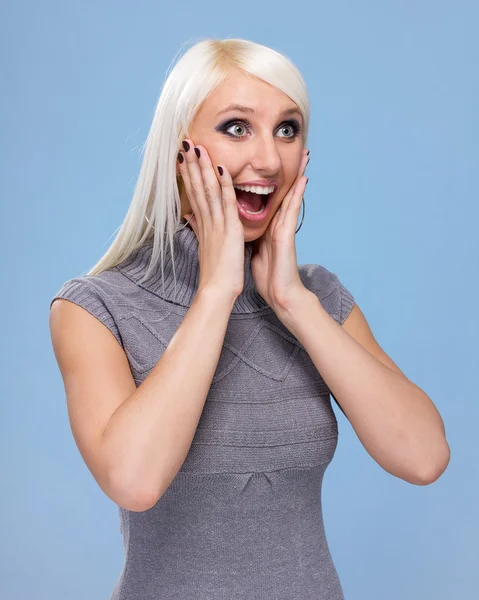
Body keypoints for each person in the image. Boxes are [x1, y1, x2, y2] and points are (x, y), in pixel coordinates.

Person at [49, 38, 449, 600]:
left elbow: (424, 457)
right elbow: (133, 480)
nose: (268, 160)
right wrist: (216, 290)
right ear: (178, 149)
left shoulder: (319, 296)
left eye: (287, 129)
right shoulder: (95, 308)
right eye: (237, 127)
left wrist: (292, 301)